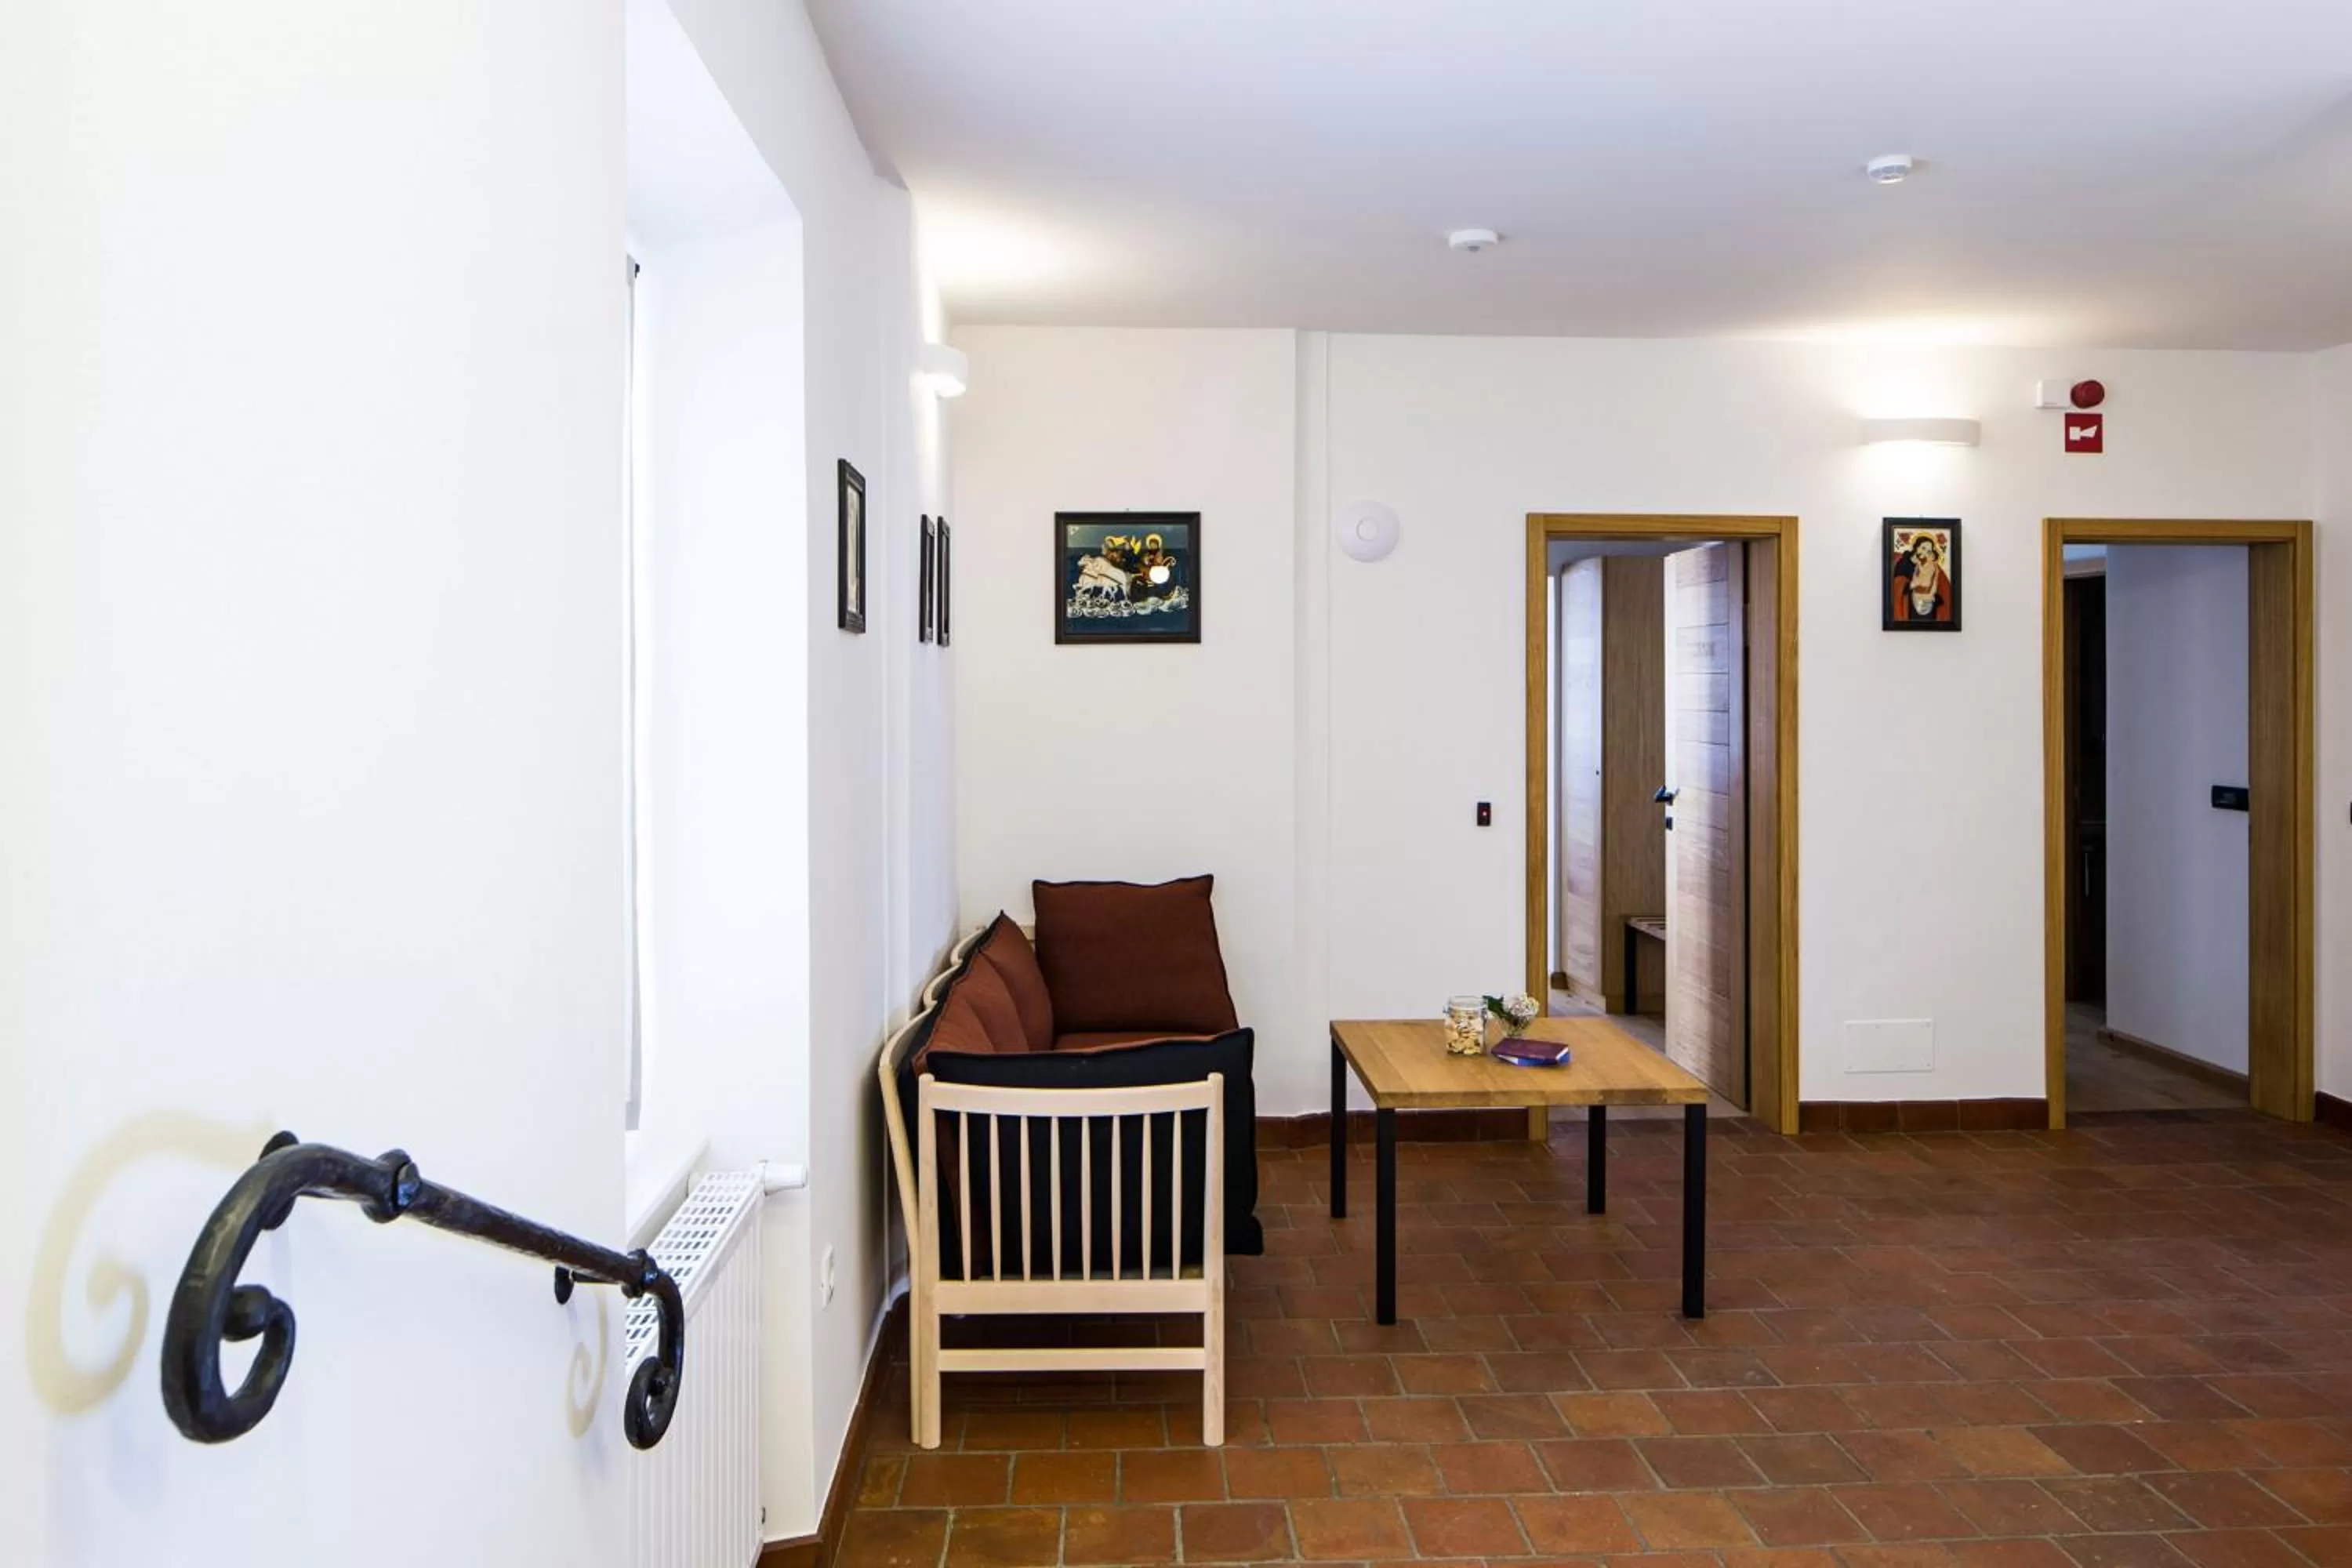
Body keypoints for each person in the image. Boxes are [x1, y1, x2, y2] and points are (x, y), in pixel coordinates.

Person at [1891, 532, 1954, 623]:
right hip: (1908, 602)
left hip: (1927, 603)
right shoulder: (1904, 562)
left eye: (1928, 551)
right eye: (1923, 548)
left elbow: (1939, 583)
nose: (1925, 553)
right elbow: (1898, 584)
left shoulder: (1930, 564)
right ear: (1916, 547)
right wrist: (1911, 586)